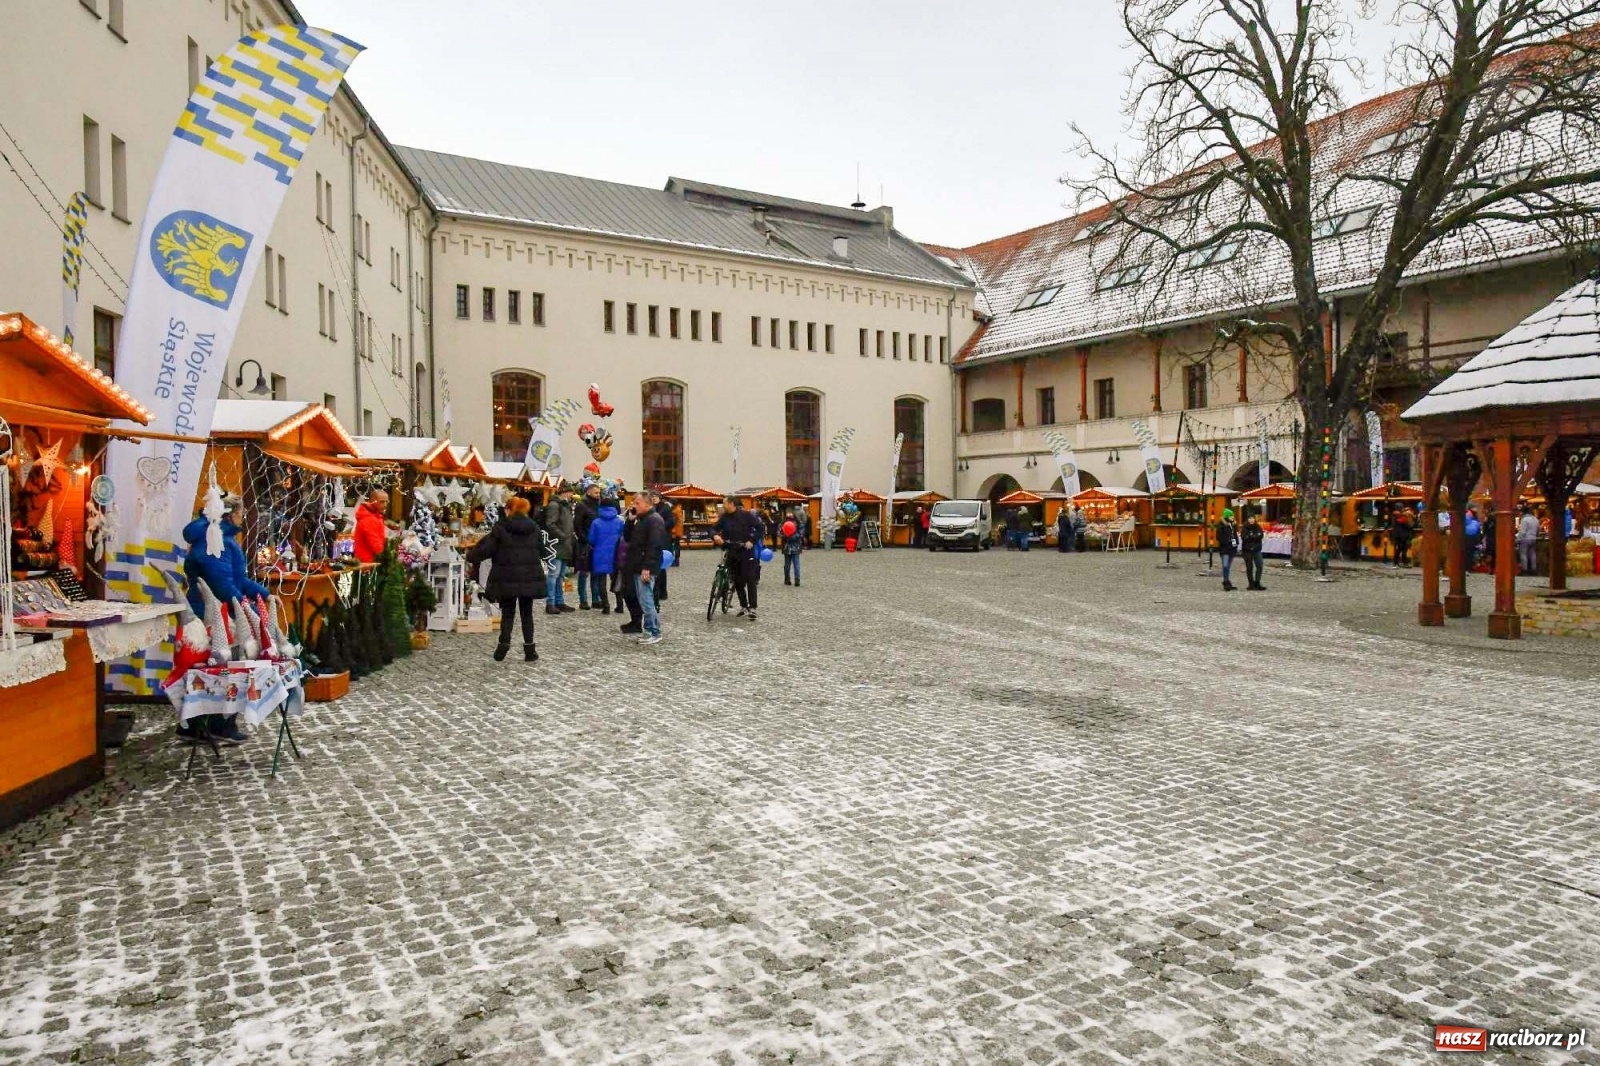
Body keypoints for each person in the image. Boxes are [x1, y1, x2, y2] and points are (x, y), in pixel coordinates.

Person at [465, 496, 547, 662]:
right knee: (527, 613)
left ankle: (504, 643)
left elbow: (487, 548)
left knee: (508, 612)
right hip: (528, 576)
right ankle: (530, 649)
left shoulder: (501, 527)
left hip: (506, 575)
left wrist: (471, 556)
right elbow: (542, 551)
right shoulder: (534, 527)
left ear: (509, 510)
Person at [622, 491, 668, 644]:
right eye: (634, 502)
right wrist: (630, 521)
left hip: (645, 566)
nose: (634, 505)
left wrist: (647, 567)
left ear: (647, 504)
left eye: (637, 503)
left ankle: (653, 631)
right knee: (644, 599)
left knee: (646, 600)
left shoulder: (654, 520)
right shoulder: (641, 520)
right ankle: (652, 629)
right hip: (637, 564)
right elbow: (628, 538)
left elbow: (654, 545)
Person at [712, 495, 765, 619]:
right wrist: (715, 535)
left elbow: (760, 528)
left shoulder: (746, 515)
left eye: (724, 503)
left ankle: (753, 608)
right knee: (737, 581)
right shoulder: (724, 518)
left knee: (750, 579)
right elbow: (713, 528)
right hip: (731, 551)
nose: (723, 506)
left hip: (746, 551)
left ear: (731, 504)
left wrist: (751, 540)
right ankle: (743, 606)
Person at [585, 495, 624, 615]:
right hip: (616, 555)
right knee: (616, 580)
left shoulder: (596, 522)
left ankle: (606, 606)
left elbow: (591, 539)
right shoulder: (619, 522)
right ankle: (620, 605)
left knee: (601, 582)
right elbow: (623, 537)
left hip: (600, 554)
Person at [543, 487, 576, 615]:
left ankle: (559, 601)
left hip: (564, 545)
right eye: (571, 493)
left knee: (560, 575)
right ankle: (550, 603)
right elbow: (550, 524)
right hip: (556, 545)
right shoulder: (555, 505)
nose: (572, 495)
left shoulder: (565, 505)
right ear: (565, 492)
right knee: (553, 575)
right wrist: (563, 536)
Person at [574, 482, 602, 609]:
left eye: (599, 493)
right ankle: (583, 600)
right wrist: (585, 539)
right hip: (585, 543)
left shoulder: (598, 504)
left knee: (595, 572)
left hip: (597, 543)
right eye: (596, 492)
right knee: (584, 572)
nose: (598, 495)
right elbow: (577, 525)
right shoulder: (581, 505)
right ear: (589, 492)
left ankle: (595, 599)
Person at [649, 490, 675, 603]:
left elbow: (672, 522)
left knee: (661, 566)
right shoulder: (649, 508)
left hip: (663, 539)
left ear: (659, 498)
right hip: (651, 538)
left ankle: (662, 591)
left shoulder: (665, 508)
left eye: (656, 496)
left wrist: (661, 525)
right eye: (652, 496)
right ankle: (653, 590)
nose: (654, 498)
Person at [352, 489, 390, 563]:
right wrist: (387, 557)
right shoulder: (369, 519)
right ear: (373, 501)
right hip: (369, 562)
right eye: (382, 502)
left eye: (387, 502)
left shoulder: (375, 516)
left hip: (370, 561)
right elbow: (375, 544)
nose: (385, 505)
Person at [1215, 507, 1239, 591]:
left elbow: (1235, 535)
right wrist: (1227, 541)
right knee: (1225, 565)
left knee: (1228, 566)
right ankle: (1225, 582)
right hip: (1224, 549)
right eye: (1231, 516)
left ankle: (1227, 581)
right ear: (1227, 516)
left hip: (1232, 549)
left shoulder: (1233, 525)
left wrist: (1235, 544)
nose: (1232, 517)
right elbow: (1219, 537)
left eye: (1233, 516)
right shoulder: (1221, 526)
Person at [1241, 512, 1266, 590]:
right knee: (1249, 567)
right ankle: (1251, 583)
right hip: (1247, 550)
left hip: (1257, 550)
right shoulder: (1245, 528)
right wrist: (1254, 537)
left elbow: (1261, 535)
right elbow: (1244, 538)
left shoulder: (1258, 527)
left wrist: (1252, 536)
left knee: (1259, 565)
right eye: (1250, 518)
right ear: (1247, 519)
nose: (1251, 520)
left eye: (1253, 518)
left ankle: (1257, 582)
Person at [782, 508, 805, 586]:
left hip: (795, 545)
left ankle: (797, 580)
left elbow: (801, 533)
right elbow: (779, 532)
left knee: (796, 564)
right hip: (786, 546)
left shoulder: (799, 523)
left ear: (793, 513)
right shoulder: (783, 523)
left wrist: (791, 537)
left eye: (790, 513)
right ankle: (787, 579)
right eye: (787, 513)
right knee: (787, 565)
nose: (789, 514)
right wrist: (785, 536)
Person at [1516, 505, 1540, 575]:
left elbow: (1522, 532)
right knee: (1532, 554)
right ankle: (1533, 570)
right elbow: (1538, 530)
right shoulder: (1536, 519)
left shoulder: (1524, 520)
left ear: (1523, 512)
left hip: (1525, 539)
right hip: (1533, 538)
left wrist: (1518, 539)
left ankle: (1524, 570)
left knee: (1523, 554)